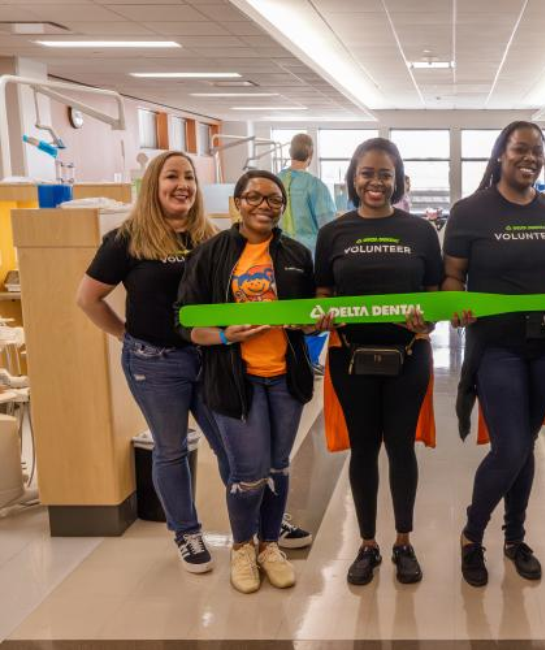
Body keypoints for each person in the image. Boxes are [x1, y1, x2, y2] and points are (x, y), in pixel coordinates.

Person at [176, 170, 322, 594]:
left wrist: (315, 324)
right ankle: (242, 547)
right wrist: (224, 334)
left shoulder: (295, 253)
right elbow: (185, 322)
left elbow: (310, 319)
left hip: (284, 378)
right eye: (255, 197)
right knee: (248, 472)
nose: (265, 205)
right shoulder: (210, 254)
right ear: (237, 202)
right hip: (235, 380)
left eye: (274, 200)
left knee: (279, 466)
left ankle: (269, 546)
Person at [77, 151, 223, 574]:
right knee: (172, 448)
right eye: (172, 176)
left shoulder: (209, 237)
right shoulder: (127, 239)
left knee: (231, 442)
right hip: (155, 363)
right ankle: (186, 532)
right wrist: (125, 334)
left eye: (189, 177)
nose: (182, 185)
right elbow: (87, 299)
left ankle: (258, 522)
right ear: (153, 185)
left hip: (207, 356)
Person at [443, 121, 545, 587]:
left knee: (526, 445)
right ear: (500, 154)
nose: (529, 157)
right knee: (510, 445)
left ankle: (515, 538)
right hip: (497, 348)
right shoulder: (471, 211)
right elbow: (453, 276)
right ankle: (472, 536)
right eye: (520, 149)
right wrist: (457, 304)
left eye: (537, 150)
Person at [315, 138, 443, 586]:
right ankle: (367, 544)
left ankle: (403, 542)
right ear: (353, 178)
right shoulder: (334, 233)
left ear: (398, 179)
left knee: (402, 448)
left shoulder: (421, 232)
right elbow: (322, 296)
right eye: (367, 173)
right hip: (351, 360)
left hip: (409, 357)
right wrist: (320, 318)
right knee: (364, 449)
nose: (376, 182)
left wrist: (425, 321)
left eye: (385, 174)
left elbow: (434, 299)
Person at [279, 133, 337, 373]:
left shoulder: (274, 181)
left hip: (277, 255)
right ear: (310, 155)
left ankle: (287, 358)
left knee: (285, 309)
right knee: (316, 308)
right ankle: (309, 360)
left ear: (289, 153)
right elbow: (328, 228)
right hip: (309, 256)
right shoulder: (315, 186)